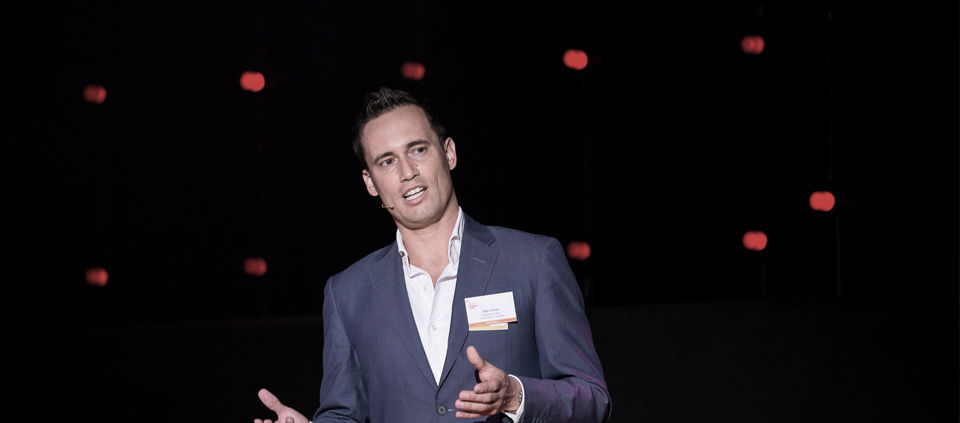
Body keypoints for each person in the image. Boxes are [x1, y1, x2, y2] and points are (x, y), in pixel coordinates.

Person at [254, 87, 611, 423]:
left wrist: (515, 396)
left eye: (418, 150)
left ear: (449, 153)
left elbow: (593, 398)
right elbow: (343, 414)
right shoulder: (348, 293)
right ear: (370, 182)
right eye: (387, 161)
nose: (407, 172)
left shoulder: (532, 261)